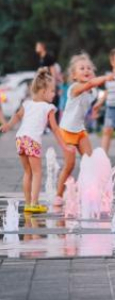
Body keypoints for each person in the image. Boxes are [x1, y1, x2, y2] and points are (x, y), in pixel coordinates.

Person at [1, 70, 69, 212]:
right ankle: (34, 203)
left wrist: (7, 125)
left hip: (20, 139)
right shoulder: (48, 107)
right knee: (37, 172)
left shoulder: (27, 104)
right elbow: (55, 129)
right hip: (32, 140)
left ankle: (27, 203)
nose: (54, 94)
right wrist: (64, 146)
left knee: (27, 172)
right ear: (43, 91)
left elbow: (17, 116)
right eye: (52, 91)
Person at [56, 54, 115, 199]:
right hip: (67, 131)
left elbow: (92, 100)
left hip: (80, 130)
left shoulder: (93, 92)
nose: (86, 70)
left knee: (90, 162)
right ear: (74, 76)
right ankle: (58, 195)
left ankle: (90, 193)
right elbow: (89, 84)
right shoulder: (74, 88)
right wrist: (105, 78)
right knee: (69, 165)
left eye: (89, 68)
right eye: (81, 68)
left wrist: (96, 108)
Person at [34, 41, 62, 108]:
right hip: (44, 82)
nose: (36, 48)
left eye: (37, 46)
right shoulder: (41, 58)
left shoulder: (48, 57)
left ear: (42, 47)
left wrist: (54, 83)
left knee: (52, 101)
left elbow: (53, 70)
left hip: (49, 82)